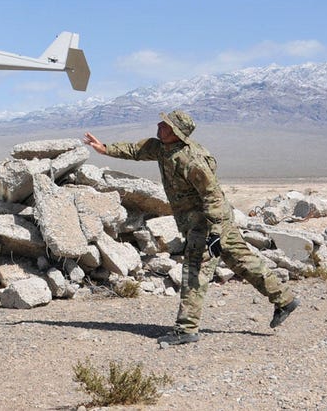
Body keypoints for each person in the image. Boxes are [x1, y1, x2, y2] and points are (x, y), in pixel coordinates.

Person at [83, 110, 299, 346]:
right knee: (243, 261)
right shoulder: (161, 148)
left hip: (206, 223)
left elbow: (212, 196)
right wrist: (104, 148)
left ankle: (186, 329)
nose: (159, 125)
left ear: (176, 132)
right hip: (210, 222)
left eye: (165, 125)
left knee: (194, 272)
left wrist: (214, 233)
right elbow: (136, 150)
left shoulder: (191, 160)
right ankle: (284, 299)